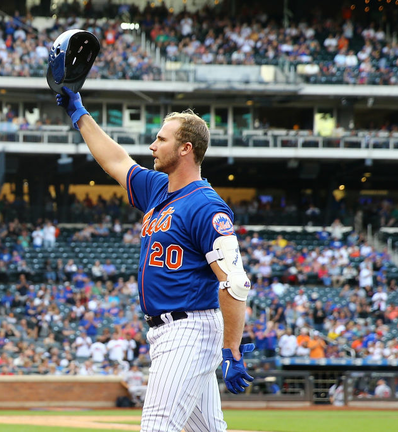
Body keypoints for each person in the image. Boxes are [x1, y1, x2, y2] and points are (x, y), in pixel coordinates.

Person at [57, 87, 254, 431]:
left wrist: (232, 350)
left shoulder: (206, 205)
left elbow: (235, 282)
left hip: (189, 330)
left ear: (185, 148)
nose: (152, 146)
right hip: (169, 331)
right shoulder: (158, 189)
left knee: (157, 427)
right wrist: (79, 113)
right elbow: (116, 160)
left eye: (161, 140)